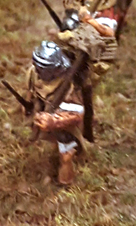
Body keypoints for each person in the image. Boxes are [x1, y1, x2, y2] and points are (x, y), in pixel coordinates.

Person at [25, 41, 88, 185]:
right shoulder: (33, 74)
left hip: (62, 121)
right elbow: (31, 92)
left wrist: (54, 121)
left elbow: (77, 114)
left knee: (66, 151)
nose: (38, 71)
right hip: (42, 113)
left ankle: (65, 180)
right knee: (49, 139)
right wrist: (30, 109)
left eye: (42, 69)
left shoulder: (68, 86)